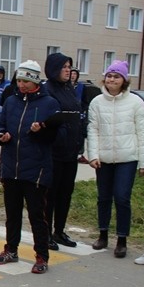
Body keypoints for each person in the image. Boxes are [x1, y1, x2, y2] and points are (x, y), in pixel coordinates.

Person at [0, 60, 60, 274]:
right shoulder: (11, 101)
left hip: (36, 169)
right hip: (11, 166)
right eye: (19, 80)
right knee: (12, 213)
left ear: (35, 81)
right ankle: (11, 250)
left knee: (36, 215)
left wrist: (42, 130)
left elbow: (58, 135)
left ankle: (41, 255)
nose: (20, 84)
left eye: (25, 81)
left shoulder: (49, 103)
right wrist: (1, 136)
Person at [86, 60, 144, 258]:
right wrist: (93, 155)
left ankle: (122, 239)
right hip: (103, 159)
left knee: (122, 197)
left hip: (127, 158)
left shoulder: (135, 102)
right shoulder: (97, 102)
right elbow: (93, 129)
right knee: (103, 197)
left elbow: (143, 132)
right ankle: (103, 234)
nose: (112, 79)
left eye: (117, 76)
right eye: (109, 76)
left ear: (124, 80)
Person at [43, 53, 84, 251]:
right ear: (53, 68)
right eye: (64, 67)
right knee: (50, 195)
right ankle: (46, 233)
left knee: (65, 194)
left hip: (71, 152)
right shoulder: (47, 90)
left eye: (70, 66)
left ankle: (59, 231)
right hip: (54, 153)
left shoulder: (69, 89)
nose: (68, 70)